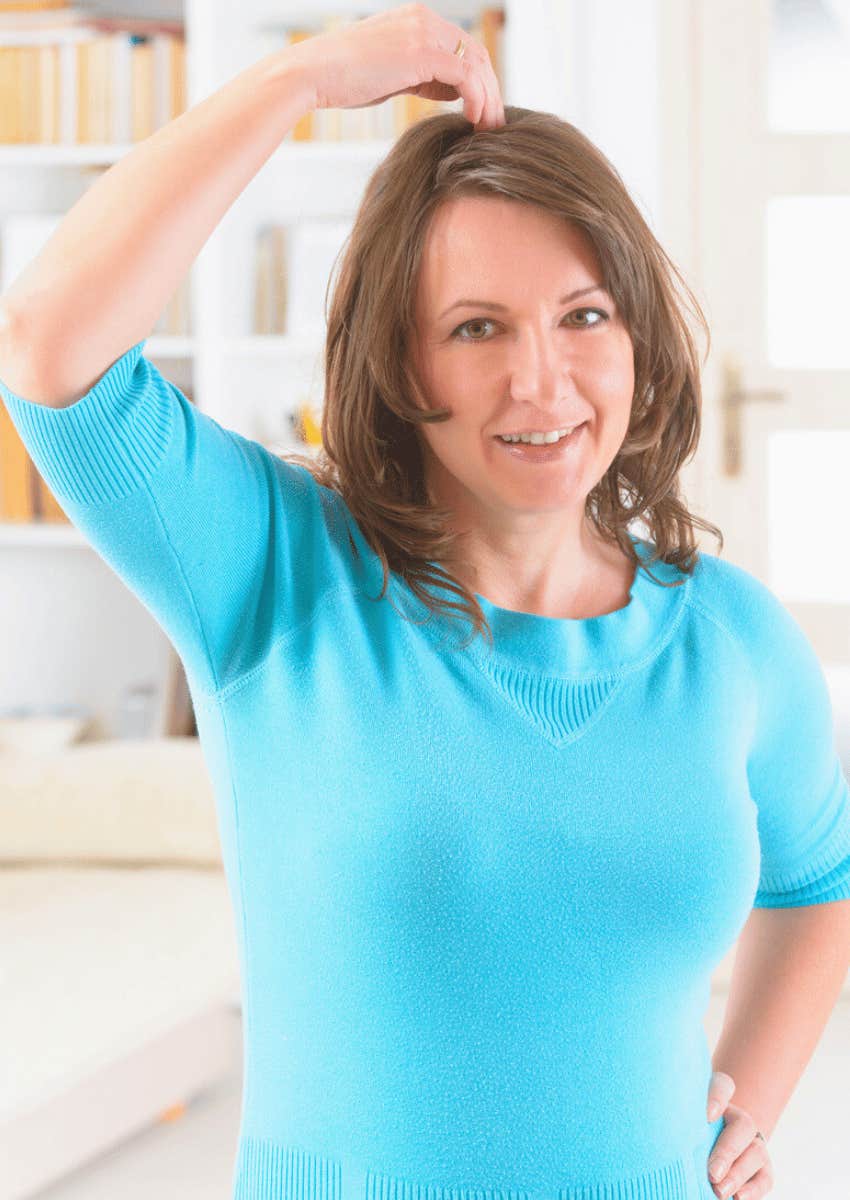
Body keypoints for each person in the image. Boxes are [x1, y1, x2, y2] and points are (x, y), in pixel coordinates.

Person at [2, 6, 848, 1200]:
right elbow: (49, 348)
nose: (540, 380)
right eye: (475, 328)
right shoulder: (276, 576)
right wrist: (298, 79)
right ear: (402, 365)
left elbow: (818, 882)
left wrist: (742, 1111)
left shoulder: (734, 640)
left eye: (584, 315)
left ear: (638, 338)